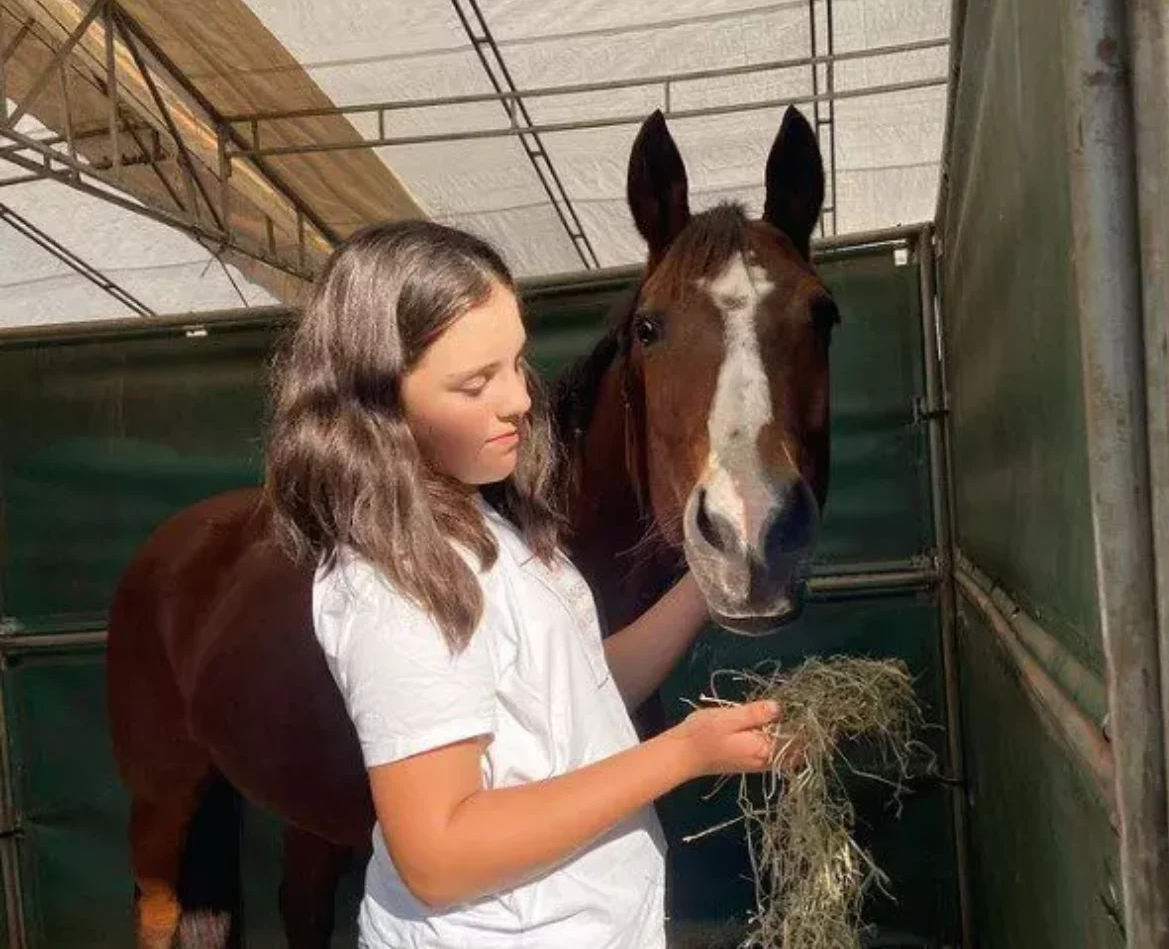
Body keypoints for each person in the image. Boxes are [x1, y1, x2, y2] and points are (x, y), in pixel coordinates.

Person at [266, 220, 783, 948]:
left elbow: (573, 691)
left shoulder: (478, 516)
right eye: (476, 382)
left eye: (515, 362)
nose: (516, 399)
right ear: (380, 406)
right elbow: (439, 855)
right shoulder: (395, 581)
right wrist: (682, 754)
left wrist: (707, 582)